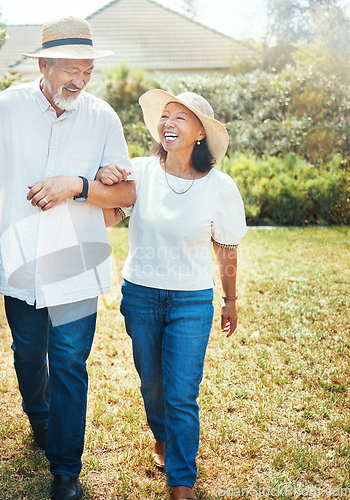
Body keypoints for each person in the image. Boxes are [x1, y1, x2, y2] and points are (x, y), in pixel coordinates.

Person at [0, 16, 135, 500]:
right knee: (28, 354)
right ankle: (38, 416)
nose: (79, 79)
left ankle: (66, 471)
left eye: (88, 70)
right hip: (19, 263)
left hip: (77, 265)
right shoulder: (5, 108)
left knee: (71, 364)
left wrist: (78, 185)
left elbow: (126, 195)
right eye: (71, 69)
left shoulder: (102, 118)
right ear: (45, 64)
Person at [98, 90, 247, 500]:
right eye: (165, 116)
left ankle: (182, 480)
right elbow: (110, 214)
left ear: (200, 132)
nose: (169, 123)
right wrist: (100, 184)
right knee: (152, 384)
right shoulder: (140, 171)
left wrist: (230, 299)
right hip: (141, 294)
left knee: (182, 391)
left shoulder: (219, 186)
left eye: (181, 118)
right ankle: (161, 435)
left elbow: (227, 245)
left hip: (191, 301)